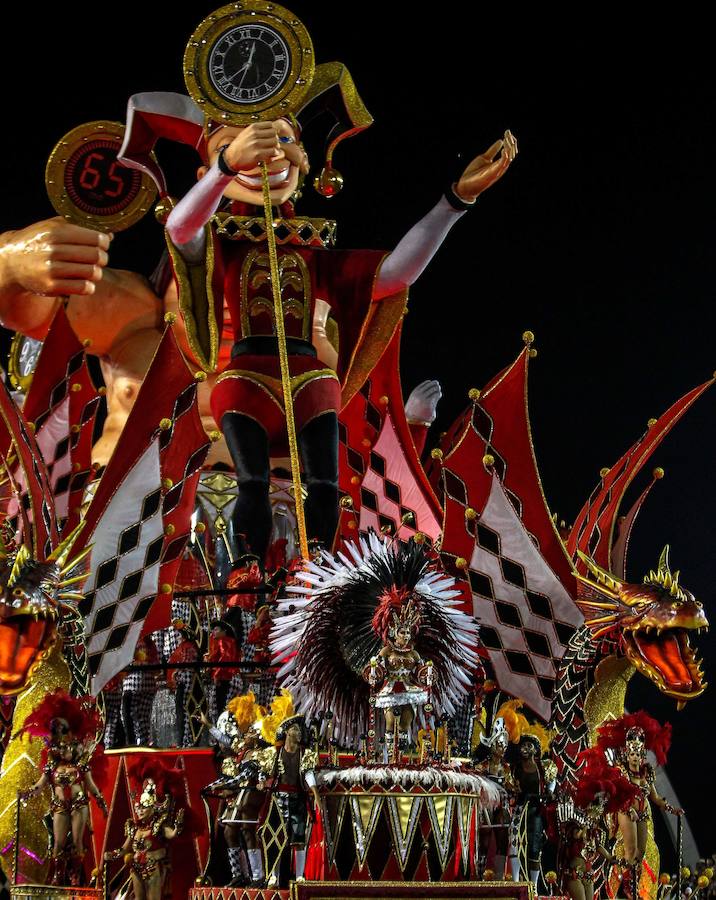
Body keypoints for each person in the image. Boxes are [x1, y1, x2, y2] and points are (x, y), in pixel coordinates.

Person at [164, 115, 517, 562]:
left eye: (284, 139)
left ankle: (317, 574)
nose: (268, 150)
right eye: (244, 142)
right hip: (246, 380)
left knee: (325, 488)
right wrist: (226, 167)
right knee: (251, 482)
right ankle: (244, 574)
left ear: (305, 162)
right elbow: (180, 228)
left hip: (311, 379)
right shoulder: (222, 244)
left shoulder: (314, 253)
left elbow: (394, 274)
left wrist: (455, 200)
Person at [19, 690, 107, 887]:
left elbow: (91, 785)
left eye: (68, 745)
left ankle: (76, 875)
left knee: (77, 842)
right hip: (60, 806)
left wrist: (101, 803)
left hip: (78, 804)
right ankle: (59, 874)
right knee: (57, 844)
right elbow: (40, 785)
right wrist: (27, 793)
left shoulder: (81, 763)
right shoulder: (52, 765)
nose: (64, 748)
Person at [596, 711, 683, 899]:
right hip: (626, 811)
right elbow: (617, 795)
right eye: (632, 752)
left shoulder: (646, 773)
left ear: (642, 754)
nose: (635, 756)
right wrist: (628, 809)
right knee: (630, 852)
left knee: (640, 854)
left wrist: (671, 809)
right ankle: (615, 882)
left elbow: (656, 797)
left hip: (643, 813)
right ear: (627, 753)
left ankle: (632, 889)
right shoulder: (620, 771)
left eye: (638, 753)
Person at [105, 767, 185, 900]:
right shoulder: (134, 827)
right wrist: (112, 855)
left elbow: (172, 834)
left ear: (153, 808)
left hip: (153, 867)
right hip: (136, 868)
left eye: (144, 808)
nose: (140, 811)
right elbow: (125, 849)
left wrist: (178, 826)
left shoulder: (158, 826)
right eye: (138, 808)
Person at [262, 714, 319, 886]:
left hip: (297, 800)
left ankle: (300, 876)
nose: (299, 732)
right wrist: (262, 782)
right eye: (294, 729)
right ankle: (273, 875)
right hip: (277, 800)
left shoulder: (305, 753)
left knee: (298, 838)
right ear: (286, 732)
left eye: (299, 729)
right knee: (275, 837)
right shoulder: (275, 752)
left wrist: (315, 794)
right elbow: (266, 774)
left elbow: (309, 775)